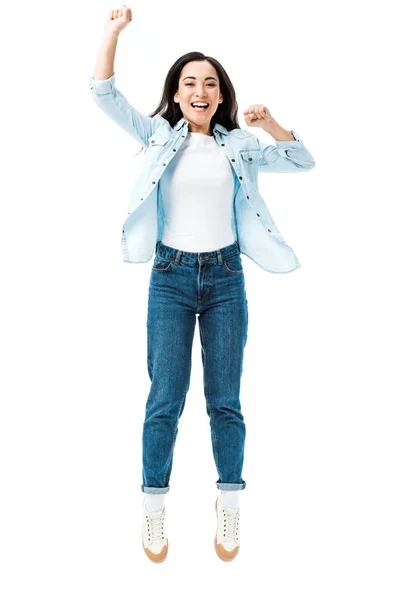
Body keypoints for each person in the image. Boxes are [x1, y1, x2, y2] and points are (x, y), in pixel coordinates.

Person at [90, 4, 316, 564]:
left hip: (225, 278)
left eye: (209, 83)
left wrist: (270, 125)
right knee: (164, 399)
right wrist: (112, 33)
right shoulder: (159, 136)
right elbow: (102, 94)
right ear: (176, 91)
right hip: (169, 278)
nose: (200, 89)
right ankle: (153, 506)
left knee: (226, 402)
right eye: (189, 81)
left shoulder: (238, 145)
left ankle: (229, 500)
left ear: (220, 95)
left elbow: (302, 159)